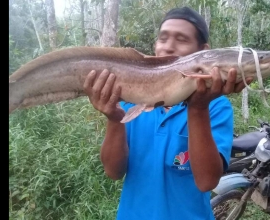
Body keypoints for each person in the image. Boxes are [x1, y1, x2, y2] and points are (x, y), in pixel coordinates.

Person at [82, 6, 253, 220]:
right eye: (163, 39)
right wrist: (114, 119)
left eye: (181, 39)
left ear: (204, 51)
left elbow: (207, 181)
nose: (168, 47)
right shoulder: (131, 104)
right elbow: (113, 171)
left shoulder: (216, 107)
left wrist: (198, 108)